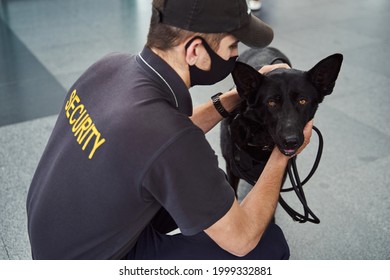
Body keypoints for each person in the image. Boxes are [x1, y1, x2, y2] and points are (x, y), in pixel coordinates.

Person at [26, 0, 312, 260]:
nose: (236, 56)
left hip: (55, 241)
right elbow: (242, 239)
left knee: (205, 187)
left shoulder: (110, 65)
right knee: (268, 243)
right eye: (232, 46)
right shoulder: (170, 138)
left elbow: (158, 144)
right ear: (195, 51)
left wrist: (237, 96)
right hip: (99, 263)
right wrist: (283, 153)